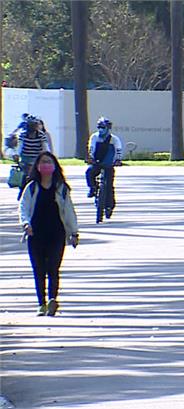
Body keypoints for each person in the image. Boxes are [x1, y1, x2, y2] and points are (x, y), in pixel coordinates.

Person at [18, 152, 79, 317]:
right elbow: (23, 207)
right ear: (37, 166)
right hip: (35, 234)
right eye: (42, 162)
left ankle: (52, 299)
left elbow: (69, 211)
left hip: (56, 234)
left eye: (49, 162)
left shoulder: (61, 188)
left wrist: (74, 232)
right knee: (38, 269)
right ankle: (41, 304)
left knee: (53, 267)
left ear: (54, 166)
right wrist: (25, 224)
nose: (45, 165)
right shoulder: (31, 187)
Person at [86, 117, 123, 217]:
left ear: (108, 128)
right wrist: (90, 157)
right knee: (89, 172)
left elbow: (118, 150)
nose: (101, 129)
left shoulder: (114, 139)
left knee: (109, 185)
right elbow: (91, 148)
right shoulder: (94, 137)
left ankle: (109, 206)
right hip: (97, 163)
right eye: (99, 127)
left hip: (109, 164)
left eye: (103, 127)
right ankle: (92, 188)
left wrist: (118, 160)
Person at [13, 116, 51, 197]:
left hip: (36, 159)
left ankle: (38, 191)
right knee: (24, 176)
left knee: (37, 176)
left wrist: (47, 156)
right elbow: (20, 146)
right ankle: (22, 190)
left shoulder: (41, 135)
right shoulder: (23, 135)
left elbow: (45, 147)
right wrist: (16, 154)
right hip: (25, 158)